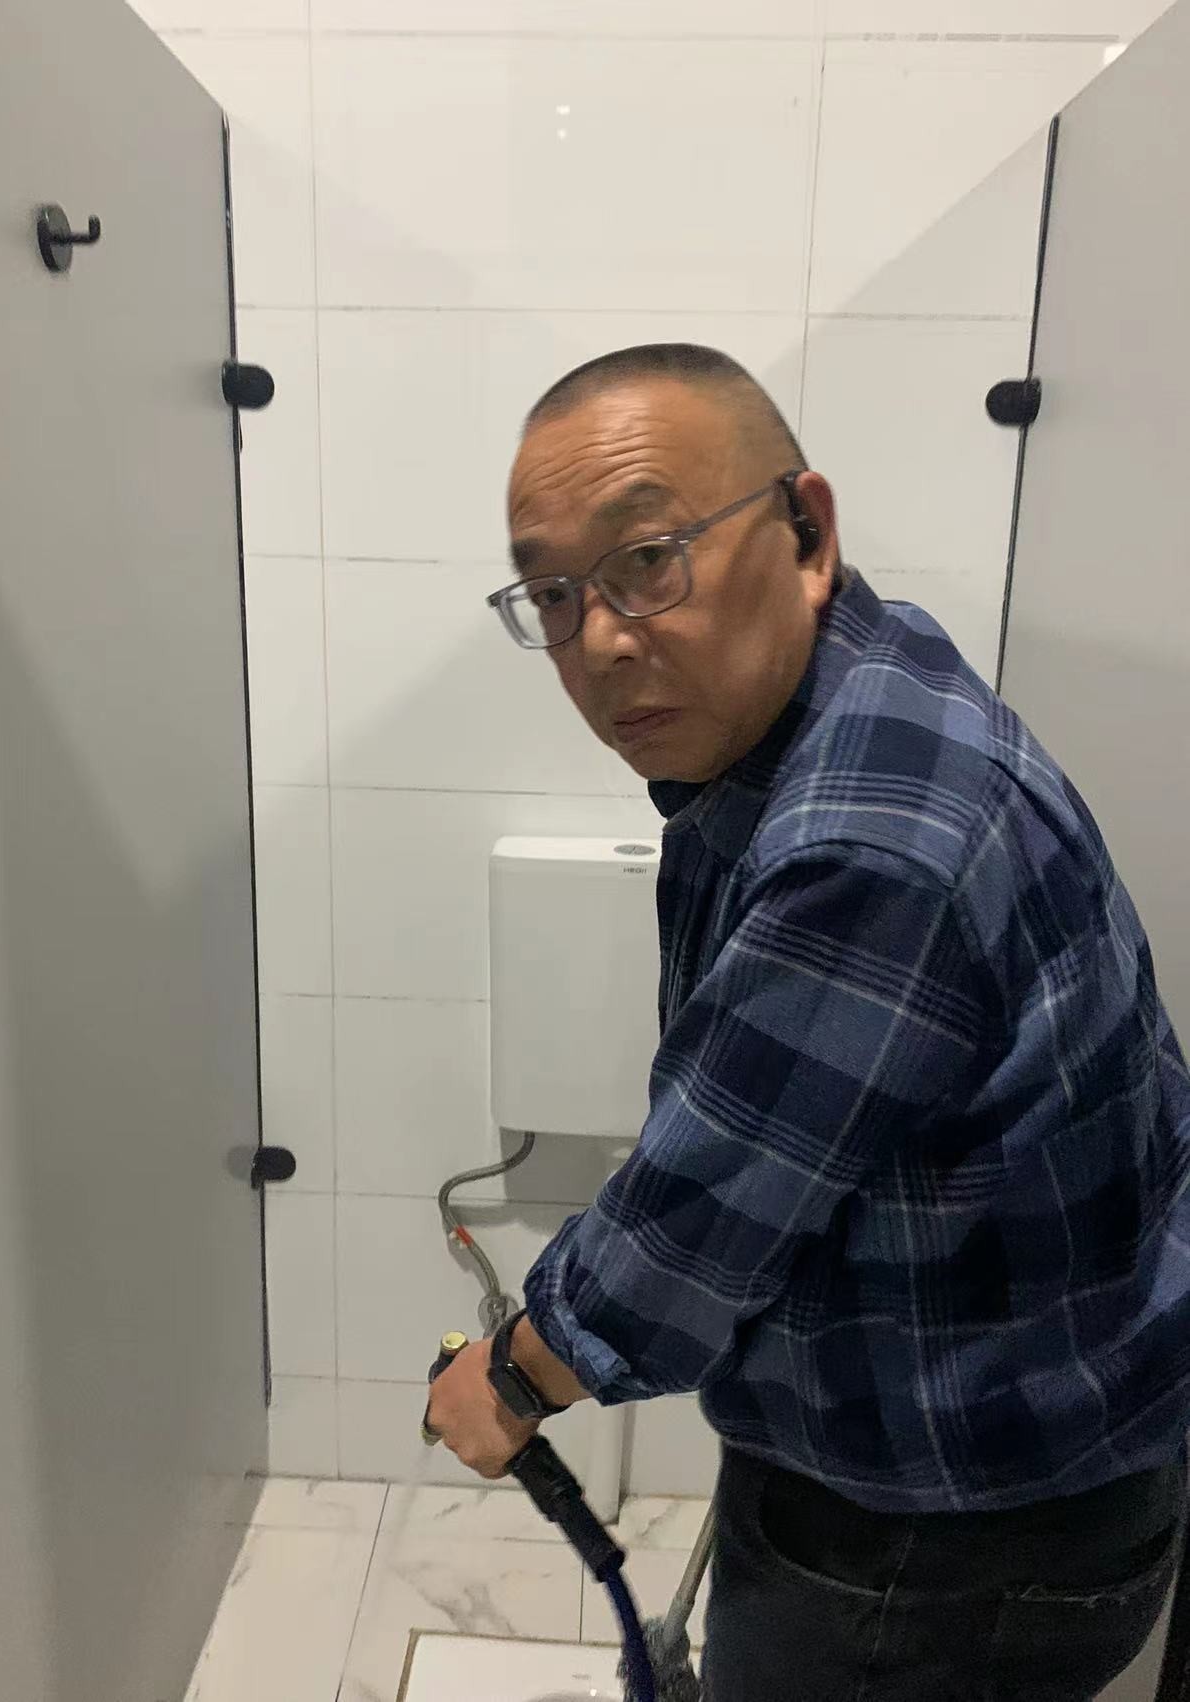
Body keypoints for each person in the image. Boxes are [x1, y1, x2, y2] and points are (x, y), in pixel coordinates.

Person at [425, 343, 1190, 1700]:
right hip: (1029, 1456)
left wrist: (515, 1380)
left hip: (947, 1548)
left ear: (808, 532)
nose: (600, 640)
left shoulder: (867, 850)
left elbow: (683, 1247)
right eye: (553, 593)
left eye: (648, 558)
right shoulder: (867, 678)